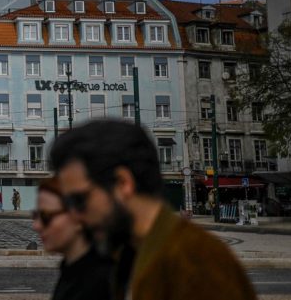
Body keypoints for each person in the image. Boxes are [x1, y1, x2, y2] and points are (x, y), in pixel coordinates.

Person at [50, 119, 256, 300]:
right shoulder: (127, 253)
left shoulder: (197, 263)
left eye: (79, 200)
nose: (74, 215)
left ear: (123, 184)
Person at [33, 178, 112, 300]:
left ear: (78, 218)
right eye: (35, 216)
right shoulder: (70, 272)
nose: (36, 225)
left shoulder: (100, 282)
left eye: (46, 217)